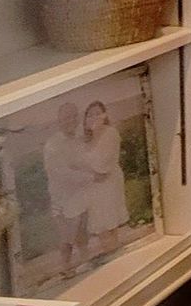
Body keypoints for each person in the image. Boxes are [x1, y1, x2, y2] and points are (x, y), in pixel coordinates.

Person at [40, 101, 91, 269]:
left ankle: (85, 260)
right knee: (66, 236)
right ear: (59, 121)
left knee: (82, 230)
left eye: (73, 116)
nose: (70, 120)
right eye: (66, 117)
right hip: (61, 196)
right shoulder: (53, 145)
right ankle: (65, 267)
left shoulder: (79, 139)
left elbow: (84, 161)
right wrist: (88, 176)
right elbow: (61, 173)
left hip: (79, 193)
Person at [81, 100, 131, 253]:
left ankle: (113, 248)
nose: (94, 117)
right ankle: (109, 250)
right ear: (85, 119)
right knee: (99, 220)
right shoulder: (85, 140)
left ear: (104, 115)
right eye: (90, 115)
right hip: (93, 184)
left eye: (98, 114)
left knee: (109, 217)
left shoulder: (110, 133)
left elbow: (107, 160)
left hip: (109, 181)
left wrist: (96, 173)